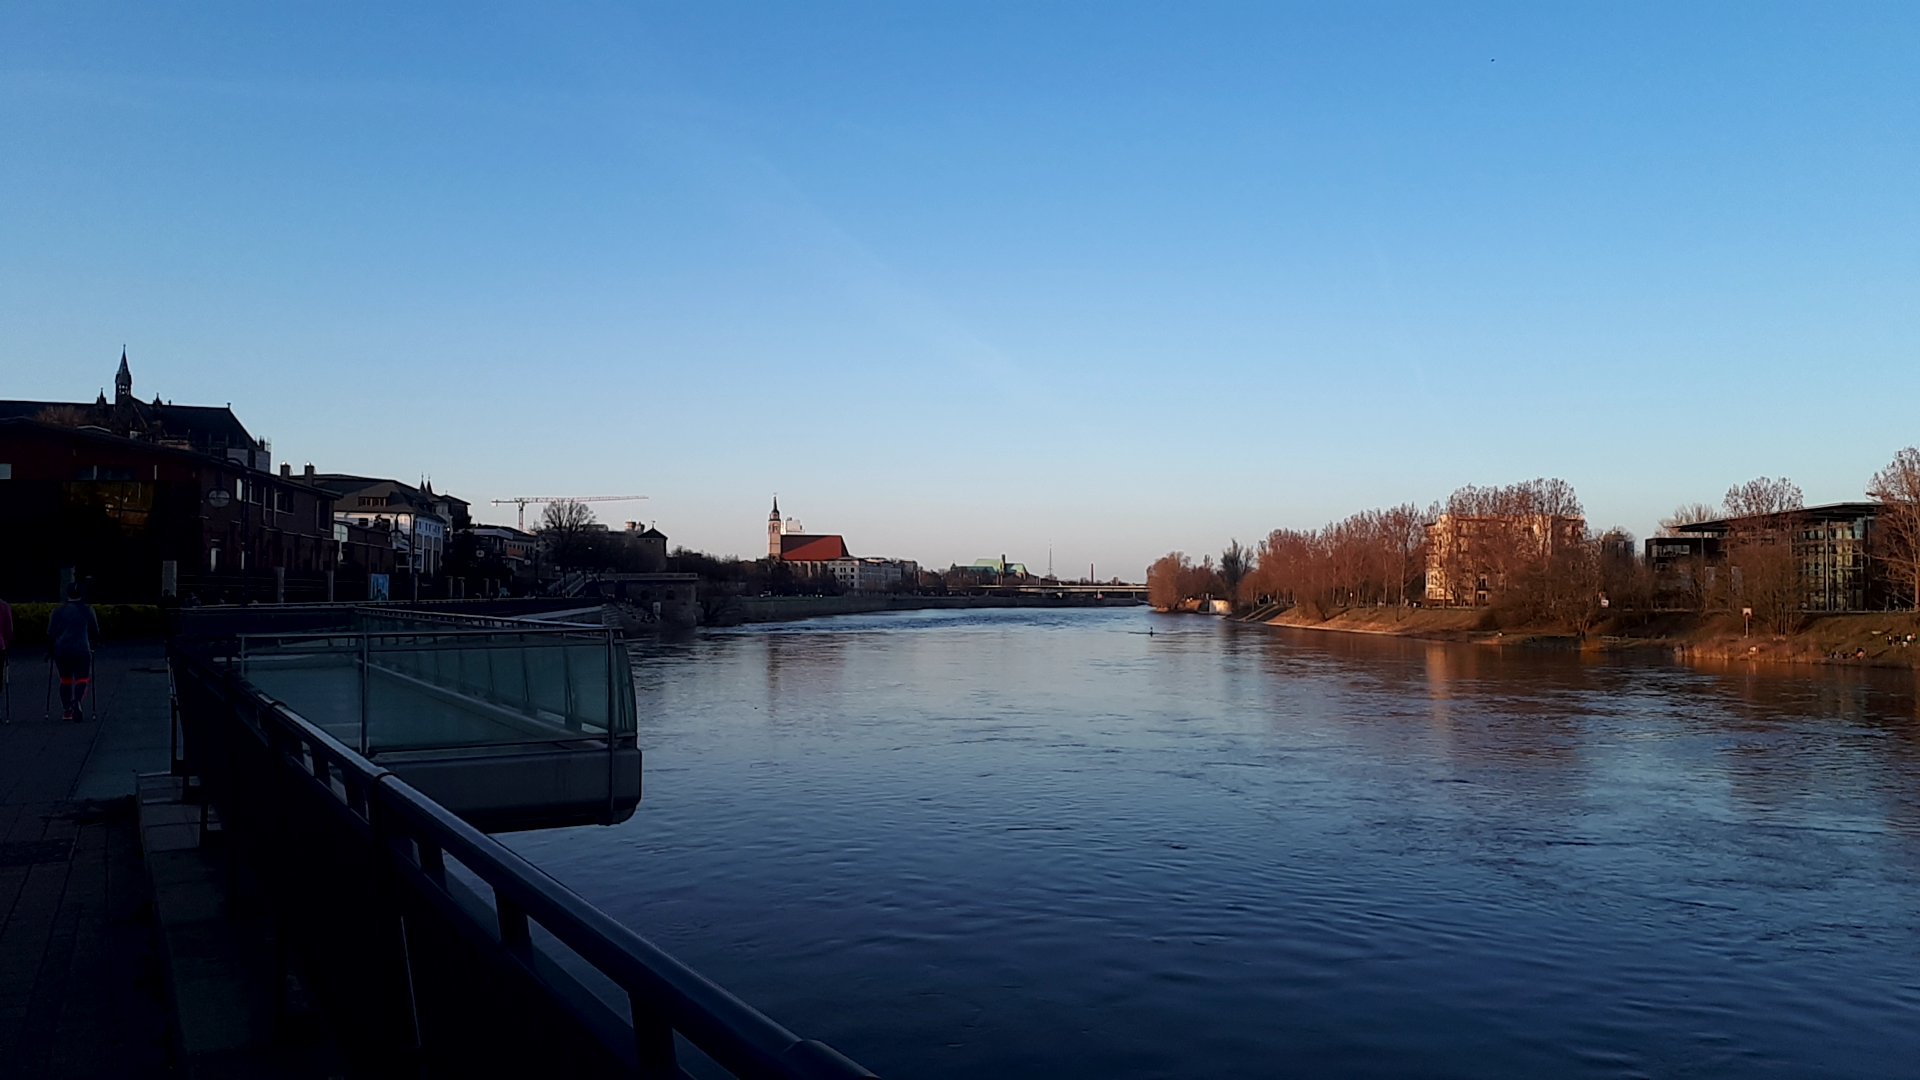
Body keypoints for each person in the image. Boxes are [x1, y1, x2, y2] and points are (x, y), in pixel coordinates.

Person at [48, 583, 102, 722]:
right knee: (82, 678)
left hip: (62, 650)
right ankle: (77, 701)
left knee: (65, 679)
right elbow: (95, 630)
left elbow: (51, 632)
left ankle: (67, 710)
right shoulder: (87, 610)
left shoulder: (58, 611)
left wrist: (50, 649)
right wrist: (95, 642)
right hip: (81, 649)